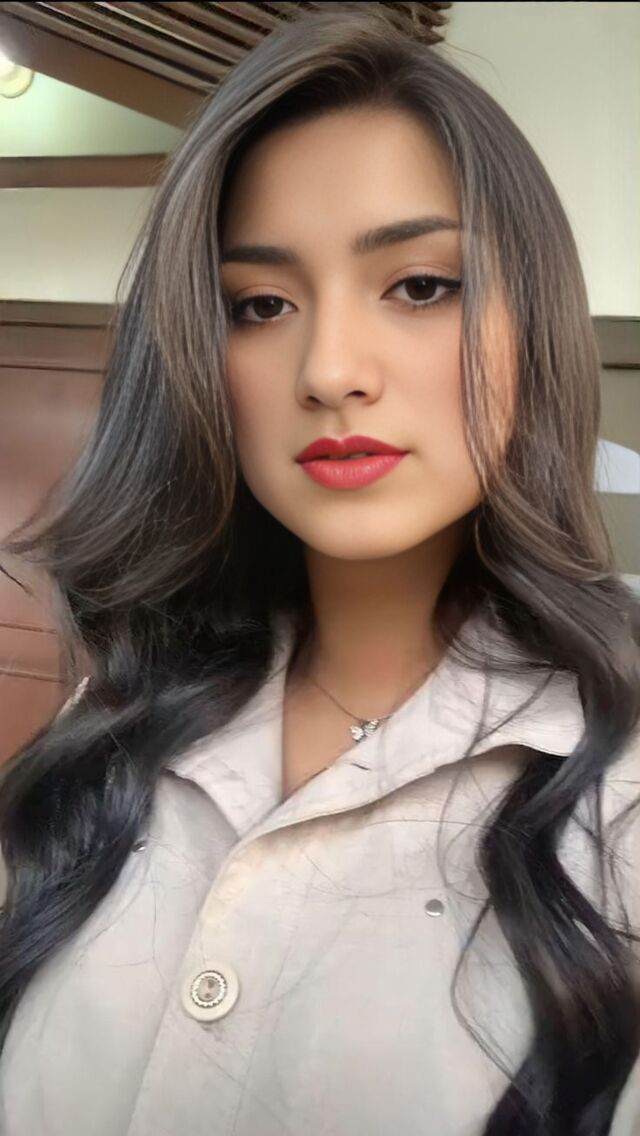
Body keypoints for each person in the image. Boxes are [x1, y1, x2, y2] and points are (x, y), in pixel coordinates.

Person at [0, 4, 639, 1134]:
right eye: (260, 305)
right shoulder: (122, 707)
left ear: (532, 321)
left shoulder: (616, 780)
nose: (330, 369)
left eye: (420, 285)